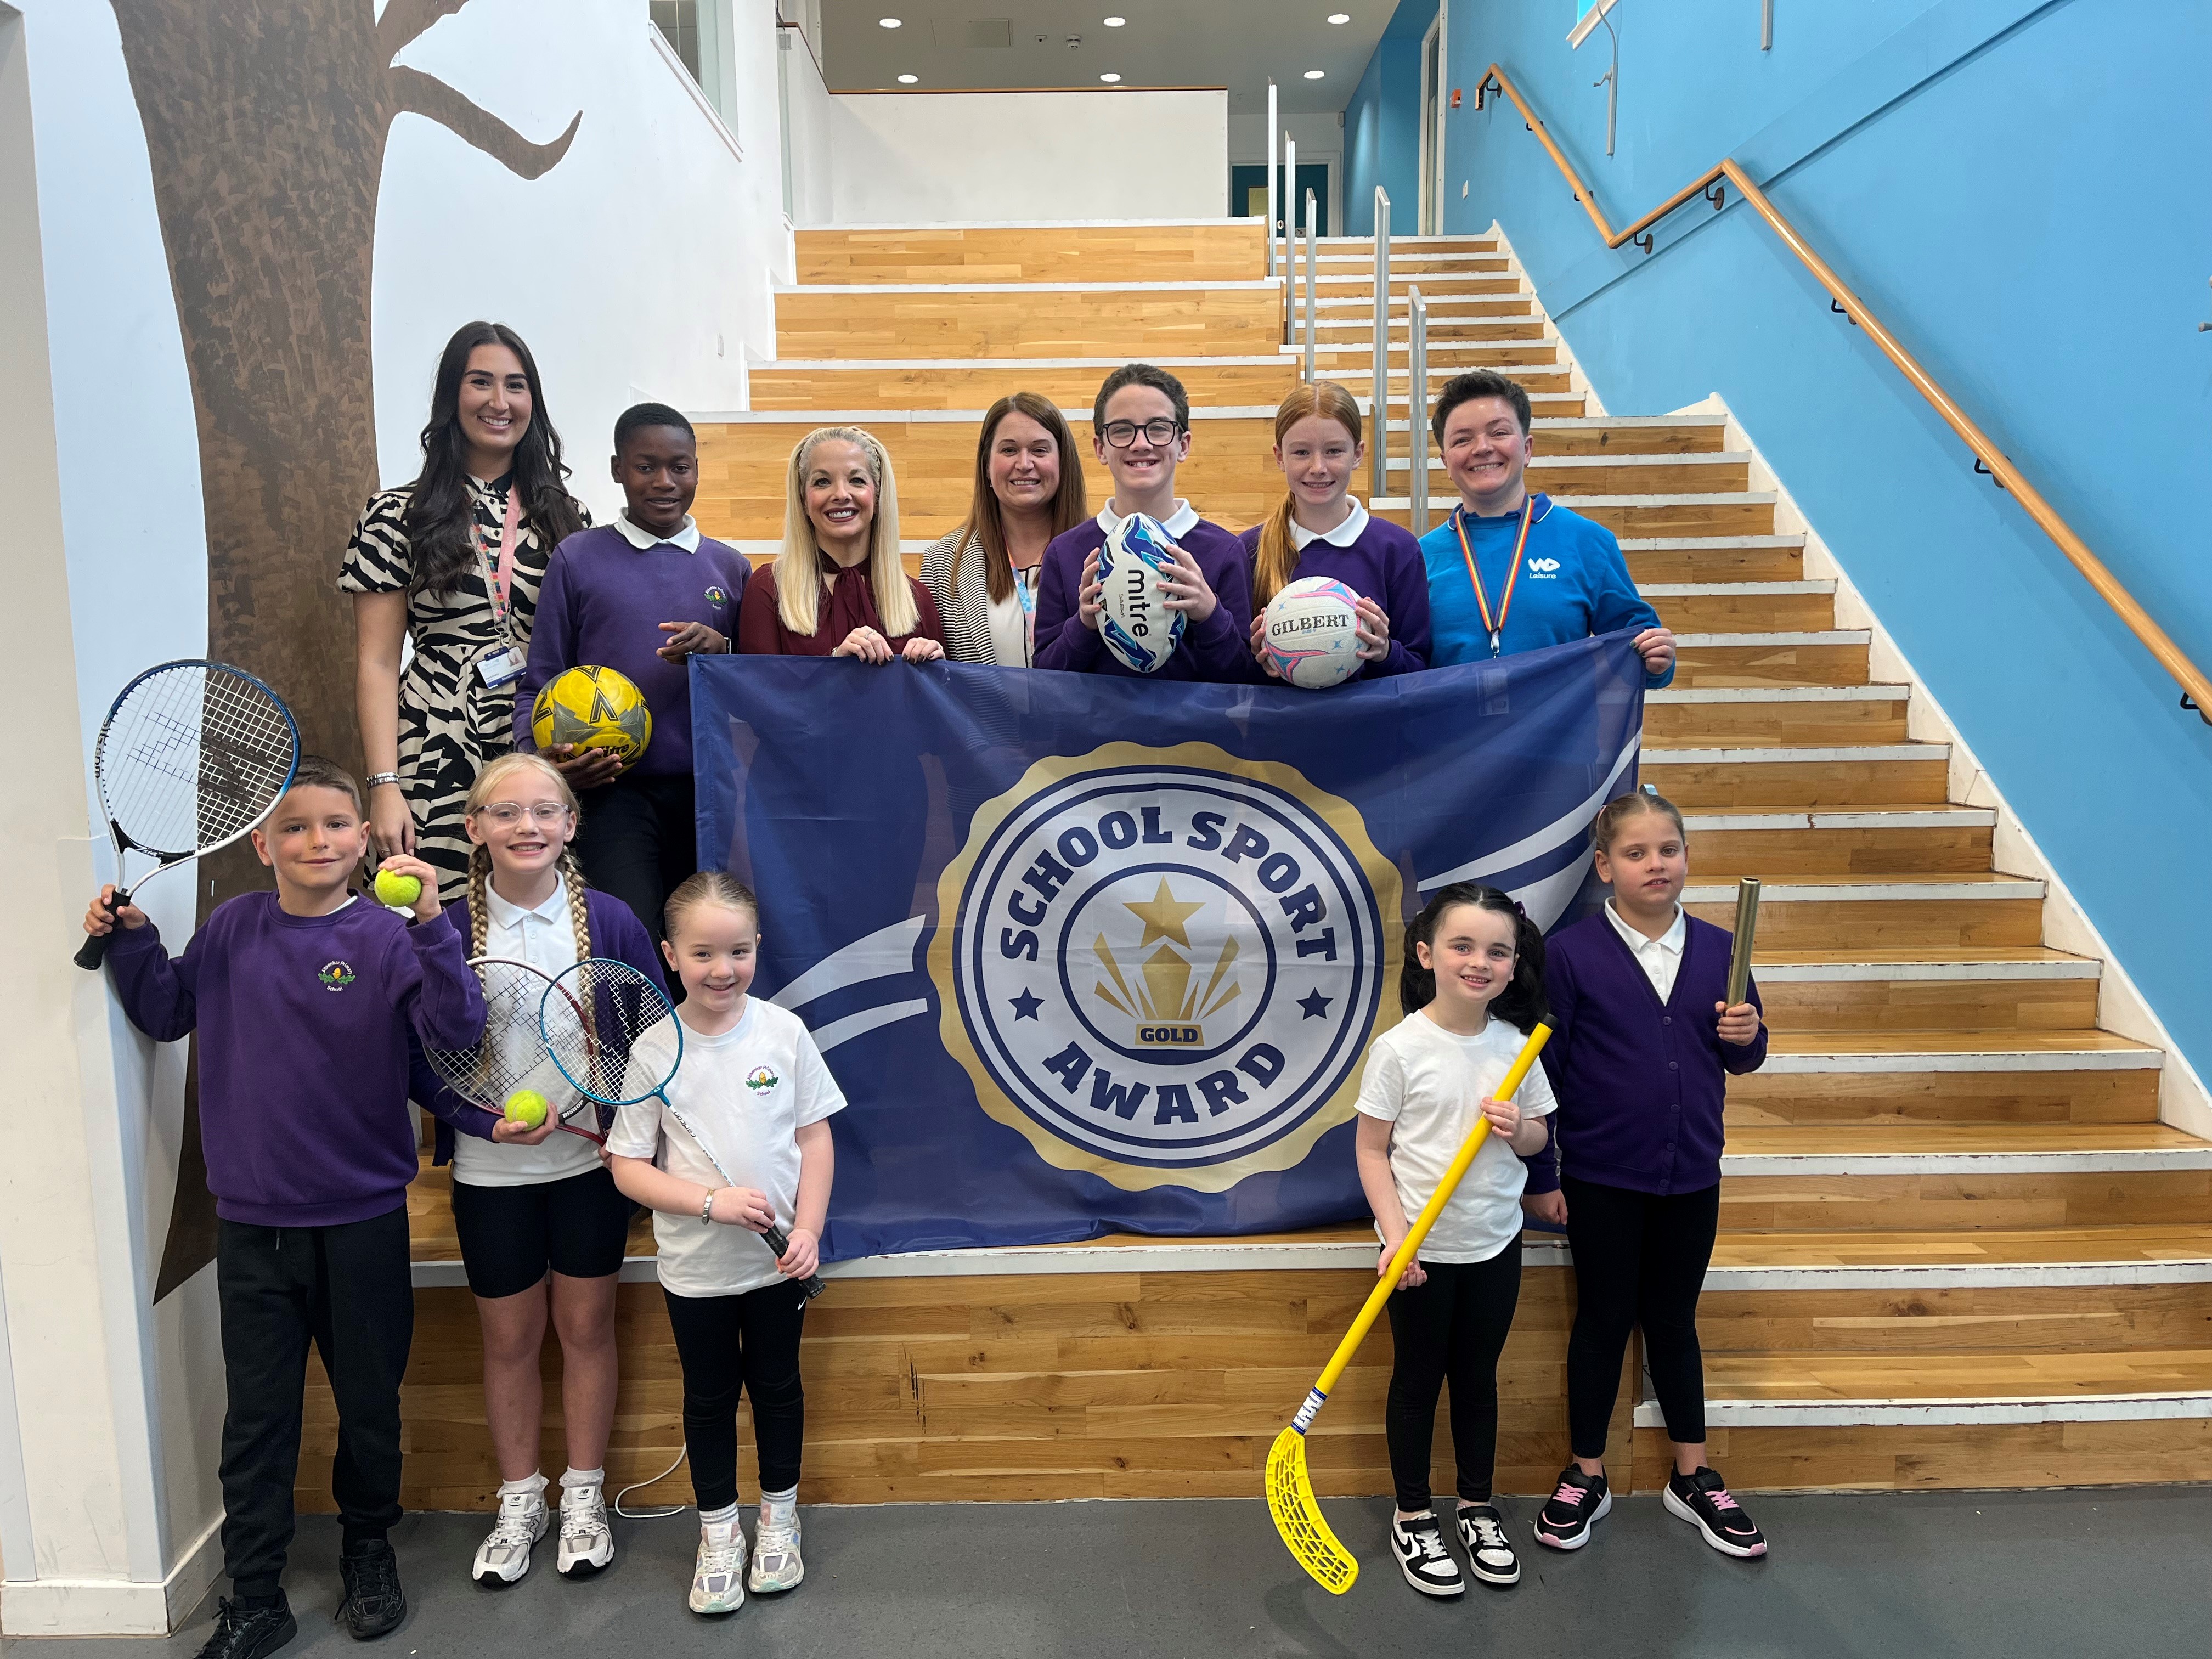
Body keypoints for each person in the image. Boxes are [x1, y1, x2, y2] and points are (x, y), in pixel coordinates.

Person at [81, 758, 483, 1659]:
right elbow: (163, 1005)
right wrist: (132, 937)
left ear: (366, 839)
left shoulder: (389, 937)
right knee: (258, 1419)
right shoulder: (230, 930)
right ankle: (254, 1592)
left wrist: (431, 922)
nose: (317, 840)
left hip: (364, 1223)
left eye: (337, 824)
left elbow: (457, 1031)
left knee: (368, 1406)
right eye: (295, 827)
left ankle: (368, 1553)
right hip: (253, 1228)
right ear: (261, 844)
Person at [410, 753, 668, 1588]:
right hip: (493, 1176)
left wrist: (619, 1129)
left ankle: (584, 1497)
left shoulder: (615, 921)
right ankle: (520, 1499)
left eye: (545, 812)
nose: (527, 826)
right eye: (506, 812)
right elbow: (418, 1060)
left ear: (570, 825)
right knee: (510, 1341)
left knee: (587, 1331)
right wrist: (482, 1122)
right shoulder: (441, 928)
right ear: (473, 828)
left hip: (590, 1170)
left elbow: (658, 1039)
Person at [1523, 790, 1770, 1560]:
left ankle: (1691, 1474)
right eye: (1636, 852)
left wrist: (1748, 1033)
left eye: (1668, 849)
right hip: (1601, 1176)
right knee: (1601, 1319)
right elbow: (1544, 1071)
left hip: (1692, 1174)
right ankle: (1587, 1471)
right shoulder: (1570, 955)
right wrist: (1544, 1170)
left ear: (1686, 858)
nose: (1655, 864)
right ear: (1605, 867)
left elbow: (1743, 1055)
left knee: (1673, 1321)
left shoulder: (1724, 949)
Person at [605, 873, 842, 1616]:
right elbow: (628, 1170)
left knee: (777, 1390)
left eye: (738, 951)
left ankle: (778, 1521)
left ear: (758, 949)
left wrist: (806, 1230)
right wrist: (710, 1203)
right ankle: (718, 1535)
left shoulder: (783, 1033)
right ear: (672, 955)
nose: (722, 969)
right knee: (708, 1401)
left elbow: (815, 1136)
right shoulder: (654, 1049)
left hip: (777, 1267)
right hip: (697, 1273)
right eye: (703, 953)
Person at [1355, 883, 1555, 1600]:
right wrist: (1396, 1237)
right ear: (1427, 954)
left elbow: (1539, 1138)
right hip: (1418, 1258)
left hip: (1495, 1246)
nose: (1480, 962)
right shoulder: (1400, 1049)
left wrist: (1519, 1127)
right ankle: (1413, 1516)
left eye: (1496, 951)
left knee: (1477, 1381)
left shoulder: (1516, 1048)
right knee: (1417, 1382)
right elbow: (1372, 1152)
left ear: (1511, 965)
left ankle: (1476, 1507)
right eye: (1462, 946)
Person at [343, 321, 590, 902]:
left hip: (540, 736)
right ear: (453, 395)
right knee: (432, 913)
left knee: (537, 915)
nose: (500, 402)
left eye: (516, 385)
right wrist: (385, 786)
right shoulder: (394, 514)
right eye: (481, 383)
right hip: (436, 741)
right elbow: (376, 664)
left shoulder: (568, 516)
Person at [516, 404, 752, 940]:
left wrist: (724, 648)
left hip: (708, 793)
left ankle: (699, 1030)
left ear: (697, 468)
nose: (665, 482)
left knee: (704, 940)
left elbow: (760, 683)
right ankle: (634, 1030)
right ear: (618, 469)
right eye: (647, 467)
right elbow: (543, 676)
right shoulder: (578, 559)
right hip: (611, 794)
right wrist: (544, 765)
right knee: (631, 939)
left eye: (680, 466)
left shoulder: (731, 568)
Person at [1418, 370, 1674, 685]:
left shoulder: (1588, 542)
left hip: (1559, 734)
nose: (1482, 447)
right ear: (1445, 462)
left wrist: (1657, 659)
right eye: (1462, 439)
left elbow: (1639, 653)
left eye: (1498, 433)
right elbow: (1408, 666)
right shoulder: (1419, 557)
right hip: (1456, 734)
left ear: (1527, 449)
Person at [1031, 363, 1252, 680]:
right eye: (1122, 430)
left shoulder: (1225, 551)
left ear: (1184, 445)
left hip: (1198, 732)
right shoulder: (1066, 552)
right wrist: (1083, 625)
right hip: (1099, 732)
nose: (1140, 443)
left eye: (1159, 428)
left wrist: (1209, 615)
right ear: (1101, 448)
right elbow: (1043, 677)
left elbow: (1246, 681)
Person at [1241, 380, 1430, 682]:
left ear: (1357, 454)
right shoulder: (1248, 550)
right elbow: (1233, 675)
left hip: (1370, 728)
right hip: (1279, 728)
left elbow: (1420, 668)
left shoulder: (1397, 548)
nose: (1318, 467)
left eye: (1333, 451)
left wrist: (1385, 653)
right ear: (1280, 457)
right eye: (1301, 452)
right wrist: (1257, 663)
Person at [736, 426, 945, 662]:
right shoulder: (767, 589)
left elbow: (941, 696)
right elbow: (757, 693)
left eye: (856, 480)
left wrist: (936, 671)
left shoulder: (918, 599)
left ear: (877, 495)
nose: (841, 494)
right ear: (803, 500)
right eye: (822, 482)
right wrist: (836, 664)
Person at [921, 392, 1090, 666]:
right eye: (1009, 450)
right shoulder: (942, 562)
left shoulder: (1104, 549)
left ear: (1063, 462)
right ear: (987, 466)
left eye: (1040, 450)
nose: (1024, 464)